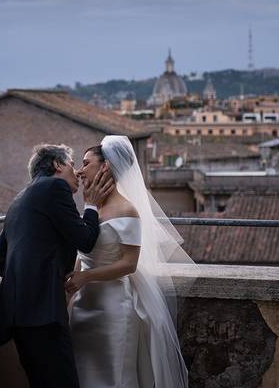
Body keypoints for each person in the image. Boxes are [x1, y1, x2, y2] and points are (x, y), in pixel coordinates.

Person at [65, 135, 192, 388]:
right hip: (82, 306)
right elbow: (83, 252)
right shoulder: (92, 208)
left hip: (114, 308)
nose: (79, 171)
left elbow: (129, 264)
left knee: (115, 377)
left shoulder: (127, 211)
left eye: (86, 163)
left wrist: (85, 277)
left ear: (106, 167)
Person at [0, 143, 115, 388]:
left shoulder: (19, 199)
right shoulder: (55, 187)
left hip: (18, 316)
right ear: (57, 165)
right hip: (43, 316)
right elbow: (86, 241)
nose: (78, 172)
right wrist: (90, 204)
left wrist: (35, 277)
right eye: (71, 164)